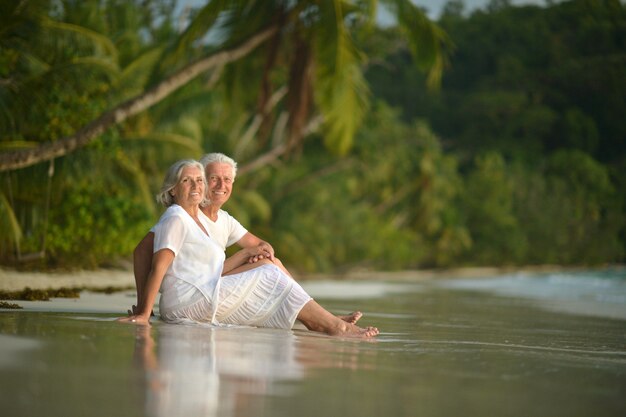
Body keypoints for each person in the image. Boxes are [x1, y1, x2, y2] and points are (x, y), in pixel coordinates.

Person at [119, 159, 378, 338]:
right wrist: (144, 312)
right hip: (189, 302)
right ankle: (334, 326)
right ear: (173, 189)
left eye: (199, 181)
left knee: (269, 269)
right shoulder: (176, 216)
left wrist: (247, 254)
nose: (197, 186)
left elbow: (145, 252)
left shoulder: (195, 219)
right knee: (270, 275)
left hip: (198, 295)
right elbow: (157, 265)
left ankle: (318, 321)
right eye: (188, 181)